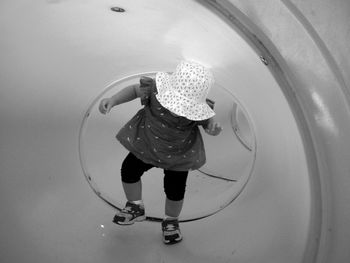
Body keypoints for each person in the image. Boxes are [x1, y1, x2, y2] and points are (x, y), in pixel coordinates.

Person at [99, 60, 222, 245]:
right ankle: (134, 206)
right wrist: (113, 100)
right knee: (129, 170)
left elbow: (208, 121)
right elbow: (133, 91)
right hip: (147, 144)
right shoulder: (155, 90)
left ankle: (171, 221)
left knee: (175, 190)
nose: (177, 110)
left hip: (179, 155)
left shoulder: (197, 109)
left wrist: (213, 127)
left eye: (184, 107)